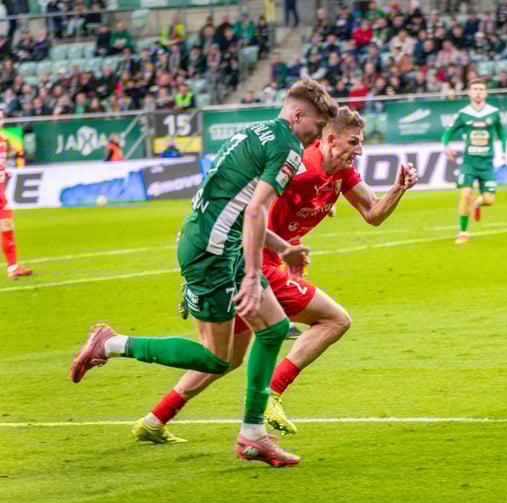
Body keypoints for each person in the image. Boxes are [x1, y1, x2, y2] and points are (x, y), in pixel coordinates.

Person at [70, 78, 339, 468]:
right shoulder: (288, 147)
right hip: (212, 252)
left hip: (219, 243)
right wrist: (253, 276)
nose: (317, 135)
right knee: (216, 359)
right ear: (298, 114)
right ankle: (111, 343)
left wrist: (283, 249)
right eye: (317, 125)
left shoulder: (257, 132)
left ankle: (252, 436)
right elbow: (255, 210)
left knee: (274, 328)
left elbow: (238, 204)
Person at [131, 106, 418, 443]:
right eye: (353, 142)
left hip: (257, 263)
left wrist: (399, 188)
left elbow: (373, 213)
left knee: (226, 359)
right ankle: (270, 396)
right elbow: (245, 205)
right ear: (329, 139)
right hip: (252, 261)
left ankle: (155, 420)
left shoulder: (342, 173)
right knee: (335, 320)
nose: (360, 150)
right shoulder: (300, 167)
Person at [441, 78, 507, 245]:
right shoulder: (463, 114)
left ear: (486, 93)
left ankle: (476, 202)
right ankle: (463, 232)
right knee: (465, 194)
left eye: (481, 89)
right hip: (469, 162)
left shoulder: (494, 112)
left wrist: (504, 151)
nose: (478, 92)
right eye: (475, 89)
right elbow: (448, 132)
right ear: (469, 92)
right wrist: (446, 146)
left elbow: (502, 133)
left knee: (489, 200)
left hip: (487, 163)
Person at [0, 109, 33, 279]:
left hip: (0, 194)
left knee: (7, 227)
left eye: (1, 118)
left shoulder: (3, 141)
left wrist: (4, 173)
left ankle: (12, 267)